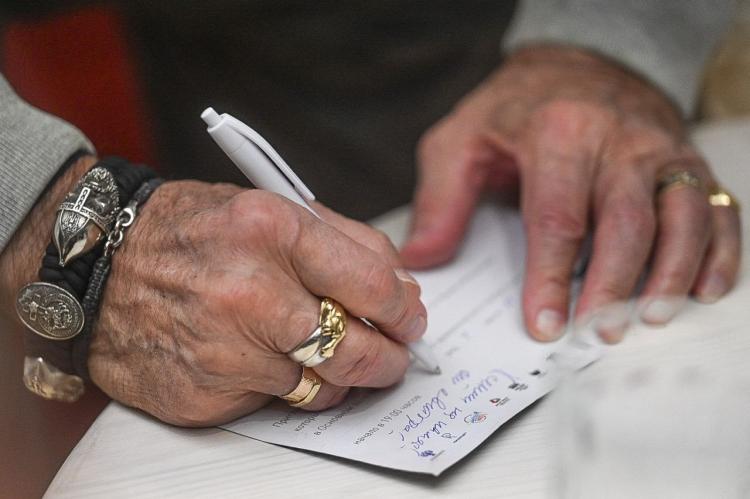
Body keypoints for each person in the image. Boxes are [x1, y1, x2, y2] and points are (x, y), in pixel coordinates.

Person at [0, 1, 741, 426]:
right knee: (245, 317)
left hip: (479, 35)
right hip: (258, 49)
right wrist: (41, 204)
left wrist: (609, 42)